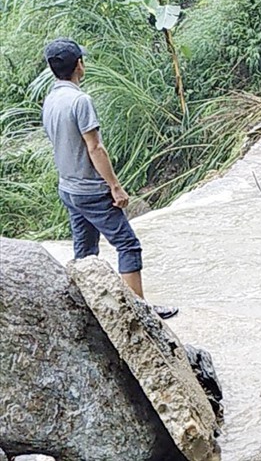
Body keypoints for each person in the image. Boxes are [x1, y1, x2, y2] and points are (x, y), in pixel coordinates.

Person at [41, 38, 177, 320]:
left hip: (68, 188)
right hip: (91, 190)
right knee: (128, 244)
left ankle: (86, 309)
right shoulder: (80, 100)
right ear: (79, 64)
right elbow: (95, 147)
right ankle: (140, 313)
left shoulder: (51, 100)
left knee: (86, 252)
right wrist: (115, 186)